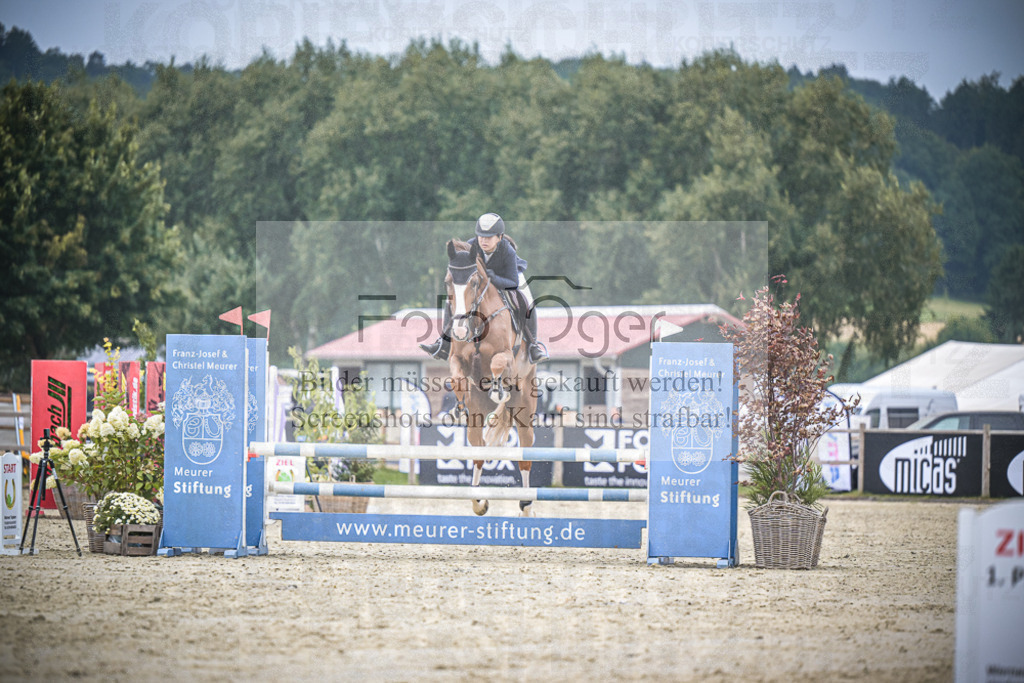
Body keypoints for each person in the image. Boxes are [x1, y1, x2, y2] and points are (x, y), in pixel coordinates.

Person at [420, 212, 548, 364]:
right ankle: (443, 342)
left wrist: (494, 278)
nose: (483, 240)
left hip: (507, 277)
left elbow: (512, 282)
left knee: (528, 302)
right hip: (480, 281)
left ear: (499, 237)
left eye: (489, 237)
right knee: (452, 300)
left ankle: (533, 345)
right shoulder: (471, 247)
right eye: (481, 236)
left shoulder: (508, 251)